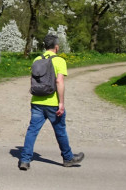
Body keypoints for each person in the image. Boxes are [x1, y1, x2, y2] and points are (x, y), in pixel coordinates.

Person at [17, 34, 85, 171]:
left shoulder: (36, 59)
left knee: (32, 130)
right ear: (56, 46)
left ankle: (24, 160)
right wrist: (61, 103)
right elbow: (59, 82)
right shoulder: (59, 61)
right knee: (60, 131)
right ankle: (68, 158)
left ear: (44, 46)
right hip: (53, 102)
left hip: (36, 100)